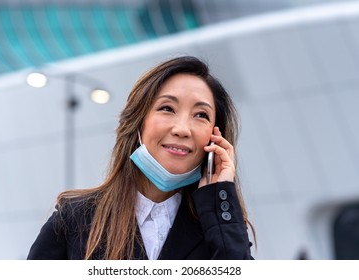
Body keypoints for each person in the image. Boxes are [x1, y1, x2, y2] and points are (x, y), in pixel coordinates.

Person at [27, 56, 255, 260]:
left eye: (201, 115)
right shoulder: (74, 219)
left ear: (216, 138)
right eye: (167, 108)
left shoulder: (222, 227)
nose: (183, 129)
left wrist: (221, 195)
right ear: (138, 123)